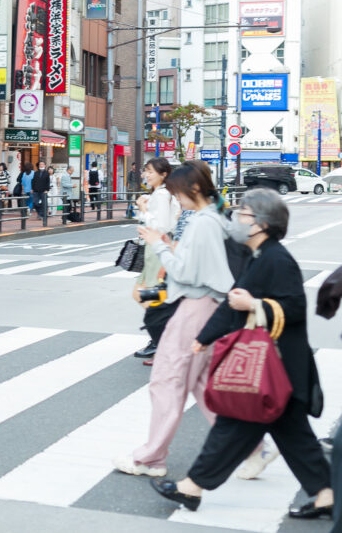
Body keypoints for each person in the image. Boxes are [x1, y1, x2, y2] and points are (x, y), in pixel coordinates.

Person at [151, 189, 334, 520]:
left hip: (277, 366)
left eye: (243, 214)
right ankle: (325, 495)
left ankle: (192, 487)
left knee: (235, 425)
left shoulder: (277, 259)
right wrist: (204, 338)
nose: (236, 218)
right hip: (275, 368)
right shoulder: (260, 256)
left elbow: (293, 307)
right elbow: (233, 302)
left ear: (261, 224)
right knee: (291, 436)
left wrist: (253, 305)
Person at [114, 164, 234, 477]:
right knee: (200, 384)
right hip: (207, 305)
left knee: (167, 381)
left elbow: (185, 271)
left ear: (193, 190)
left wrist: (157, 243)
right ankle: (249, 446)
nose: (176, 199)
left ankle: (151, 457)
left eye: (178, 193)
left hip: (195, 306)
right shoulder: (213, 218)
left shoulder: (202, 222)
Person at [132, 158, 181, 362]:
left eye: (151, 171)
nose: (146, 175)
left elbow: (161, 226)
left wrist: (143, 210)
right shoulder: (163, 194)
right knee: (149, 295)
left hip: (158, 246)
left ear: (164, 174)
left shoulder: (161, 195)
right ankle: (161, 336)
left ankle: (161, 337)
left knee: (144, 294)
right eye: (146, 171)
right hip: (159, 246)